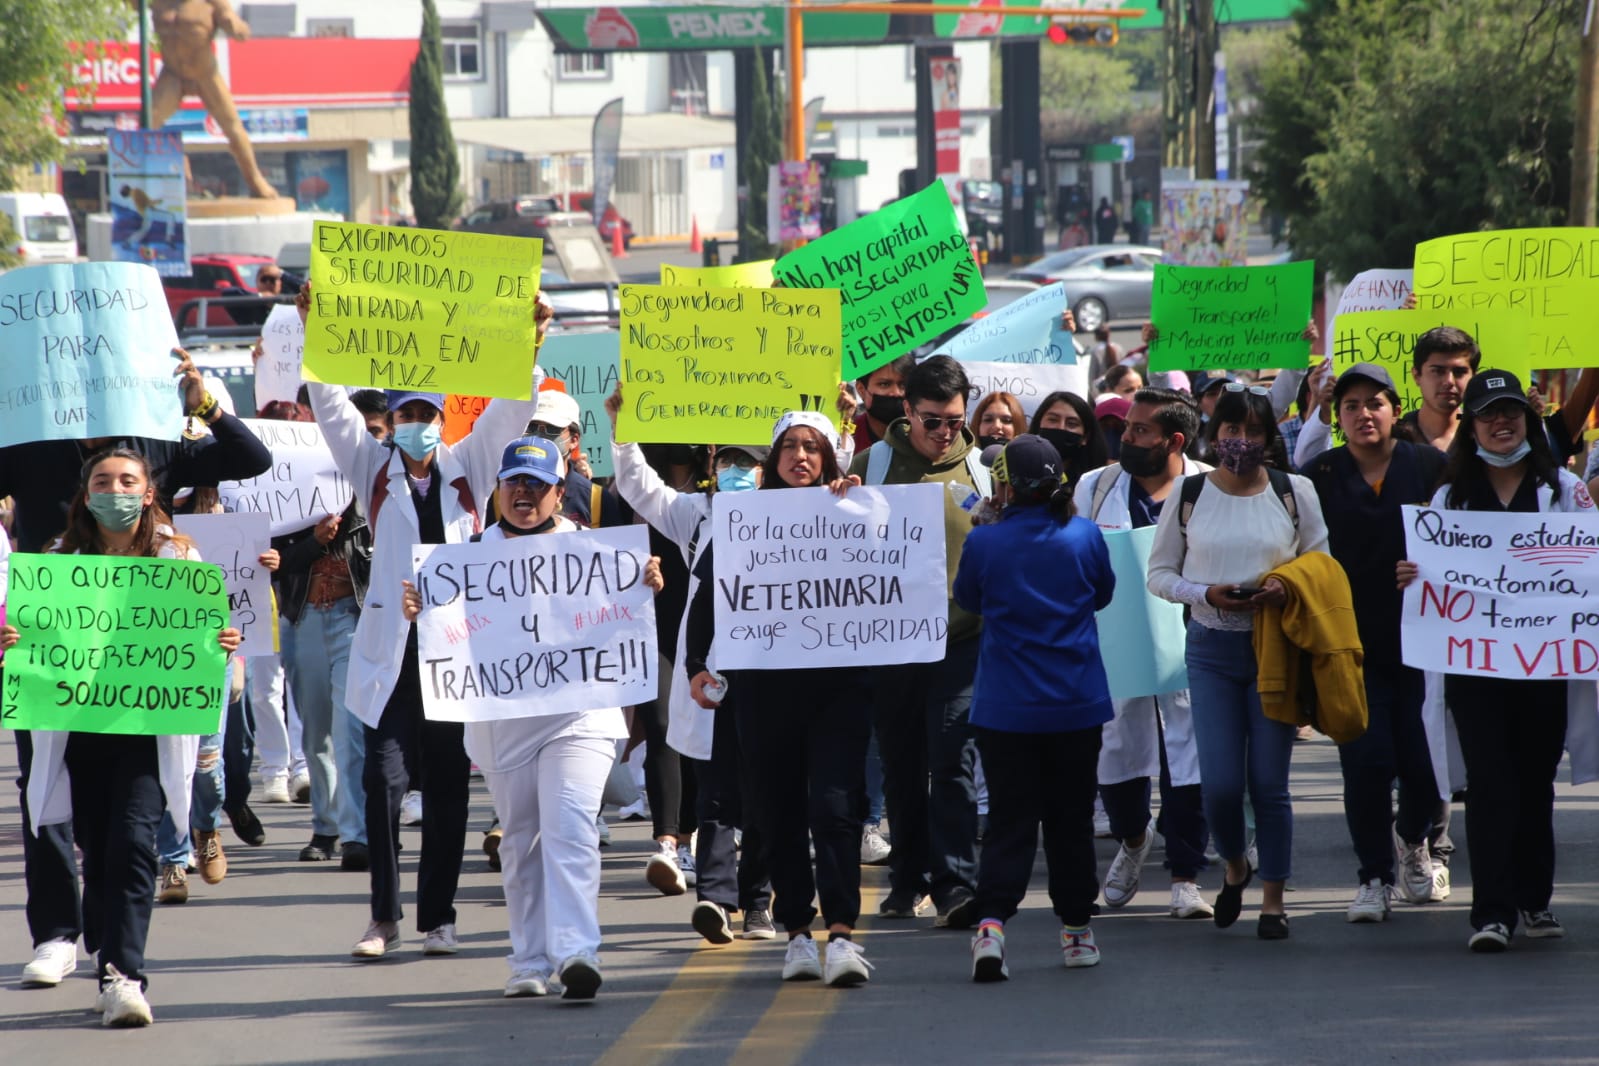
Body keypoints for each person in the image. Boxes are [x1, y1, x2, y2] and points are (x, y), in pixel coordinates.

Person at [3, 347, 270, 989]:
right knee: (49, 798)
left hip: (144, 685)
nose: (115, 491)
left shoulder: (157, 447)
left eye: (128, 484)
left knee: (126, 832)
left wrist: (207, 406)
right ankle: (56, 935)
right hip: (53, 670)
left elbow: (250, 459)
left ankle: (119, 963)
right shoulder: (29, 445)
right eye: (102, 484)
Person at [298, 283, 543, 960]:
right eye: (405, 414)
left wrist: (529, 340)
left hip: (456, 652)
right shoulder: (372, 468)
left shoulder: (470, 467)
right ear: (393, 420)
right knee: (383, 783)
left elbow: (511, 408)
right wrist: (316, 329)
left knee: (448, 792)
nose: (416, 424)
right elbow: (331, 409)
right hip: (393, 652)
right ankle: (383, 918)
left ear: (441, 420)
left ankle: (439, 917)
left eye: (426, 414)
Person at [401, 437, 664, 999]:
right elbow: (449, 635)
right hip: (504, 723)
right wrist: (421, 610)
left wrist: (645, 583)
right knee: (521, 840)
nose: (524, 493)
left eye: (537, 484)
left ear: (559, 492)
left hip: (580, 717)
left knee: (570, 828)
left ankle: (577, 951)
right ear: (498, 488)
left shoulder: (594, 553)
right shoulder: (465, 559)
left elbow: (623, 616)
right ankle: (528, 960)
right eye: (514, 481)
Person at [1397, 369, 1595, 952]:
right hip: (1475, 669)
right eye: (1488, 415)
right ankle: (1491, 913)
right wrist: (1413, 575)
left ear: (1528, 422)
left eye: (1511, 413)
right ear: (1473, 427)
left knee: (1535, 784)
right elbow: (1433, 572)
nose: (1501, 423)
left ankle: (1535, 901)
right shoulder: (1449, 498)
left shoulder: (1564, 490)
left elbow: (1588, 562)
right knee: (1488, 784)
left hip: (1544, 667)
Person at [682, 410, 875, 986]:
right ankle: (797, 934)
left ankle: (841, 934)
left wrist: (864, 509)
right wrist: (696, 666)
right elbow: (707, 599)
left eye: (812, 447)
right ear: (773, 461)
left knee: (835, 810)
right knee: (779, 811)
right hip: (763, 691)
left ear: (828, 457)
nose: (801, 456)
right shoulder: (742, 522)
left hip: (839, 689)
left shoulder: (853, 509)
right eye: (789, 446)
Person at [1148, 383, 1330, 939]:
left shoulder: (1295, 491)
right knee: (1221, 786)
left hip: (1276, 650)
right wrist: (1205, 594)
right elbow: (1159, 575)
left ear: (1269, 437)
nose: (1242, 441)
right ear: (1214, 433)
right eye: (1232, 429)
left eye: (1253, 430)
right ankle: (1234, 865)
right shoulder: (1189, 493)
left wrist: (1286, 588)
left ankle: (1273, 900)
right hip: (1210, 649)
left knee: (1269, 783)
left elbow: (1321, 566)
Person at [604, 388, 775, 936]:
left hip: (770, 671)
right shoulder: (696, 516)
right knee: (716, 788)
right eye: (728, 461)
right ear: (713, 464)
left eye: (748, 463)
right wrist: (623, 429)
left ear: (765, 471)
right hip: (709, 670)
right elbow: (641, 487)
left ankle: (758, 900)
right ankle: (717, 899)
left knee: (764, 790)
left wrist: (841, 431)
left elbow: (826, 472)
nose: (736, 471)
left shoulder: (792, 515)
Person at [955, 434, 1116, 980]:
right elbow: (1102, 594)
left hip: (1007, 707)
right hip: (1076, 702)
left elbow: (969, 599)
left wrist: (987, 528)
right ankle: (1076, 931)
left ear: (1004, 487)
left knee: (1009, 820)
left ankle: (991, 927)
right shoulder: (1085, 534)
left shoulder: (985, 541)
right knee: (1071, 820)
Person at [1296, 364, 1446, 921]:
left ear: (1395, 410)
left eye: (1375, 403)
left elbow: (1466, 541)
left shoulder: (1430, 467)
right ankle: (1374, 878)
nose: (1364, 414)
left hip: (1425, 646)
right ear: (1338, 417)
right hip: (1350, 649)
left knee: (1426, 767)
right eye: (1351, 405)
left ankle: (1413, 839)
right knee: (1366, 763)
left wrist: (1429, 568)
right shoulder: (1320, 475)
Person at [848, 355, 987, 927]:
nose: (944, 432)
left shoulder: (984, 471)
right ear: (906, 410)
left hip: (963, 643)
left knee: (953, 762)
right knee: (902, 765)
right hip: (893, 645)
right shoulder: (871, 465)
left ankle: (956, 884)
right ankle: (907, 880)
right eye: (932, 420)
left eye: (955, 420)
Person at [1075, 388, 1214, 920]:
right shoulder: (1096, 486)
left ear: (1173, 441)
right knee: (1117, 753)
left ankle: (1185, 876)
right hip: (1118, 643)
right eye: (1127, 427)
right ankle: (1134, 840)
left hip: (1190, 639)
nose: (1125, 437)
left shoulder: (1210, 487)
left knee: (1189, 756)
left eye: (1139, 431)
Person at [273, 390, 383, 869]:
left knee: (349, 729)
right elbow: (275, 564)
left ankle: (356, 834)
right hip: (303, 621)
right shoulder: (289, 489)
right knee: (315, 733)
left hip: (352, 620)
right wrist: (314, 542)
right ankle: (326, 827)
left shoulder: (378, 493)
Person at [1029, 391, 1110, 492]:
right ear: (1039, 424)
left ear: (1085, 437)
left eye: (1071, 424)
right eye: (1053, 420)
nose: (1060, 428)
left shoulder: (1096, 485)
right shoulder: (1017, 474)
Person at [850, 355, 915, 457]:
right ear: (861, 390)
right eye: (884, 384)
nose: (896, 393)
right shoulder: (847, 442)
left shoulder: (930, 436)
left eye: (903, 385)